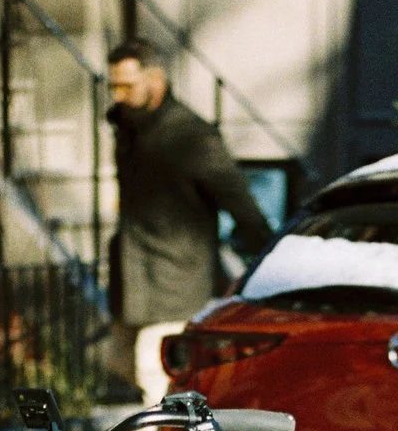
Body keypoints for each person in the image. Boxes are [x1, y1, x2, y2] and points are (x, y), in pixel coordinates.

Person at [106, 39, 275, 400]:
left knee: (152, 368)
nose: (118, 95)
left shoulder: (191, 135)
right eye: (113, 86)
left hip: (176, 278)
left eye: (127, 85)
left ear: (156, 80)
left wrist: (268, 251)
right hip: (133, 275)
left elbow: (237, 198)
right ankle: (183, 429)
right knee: (120, 361)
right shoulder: (128, 129)